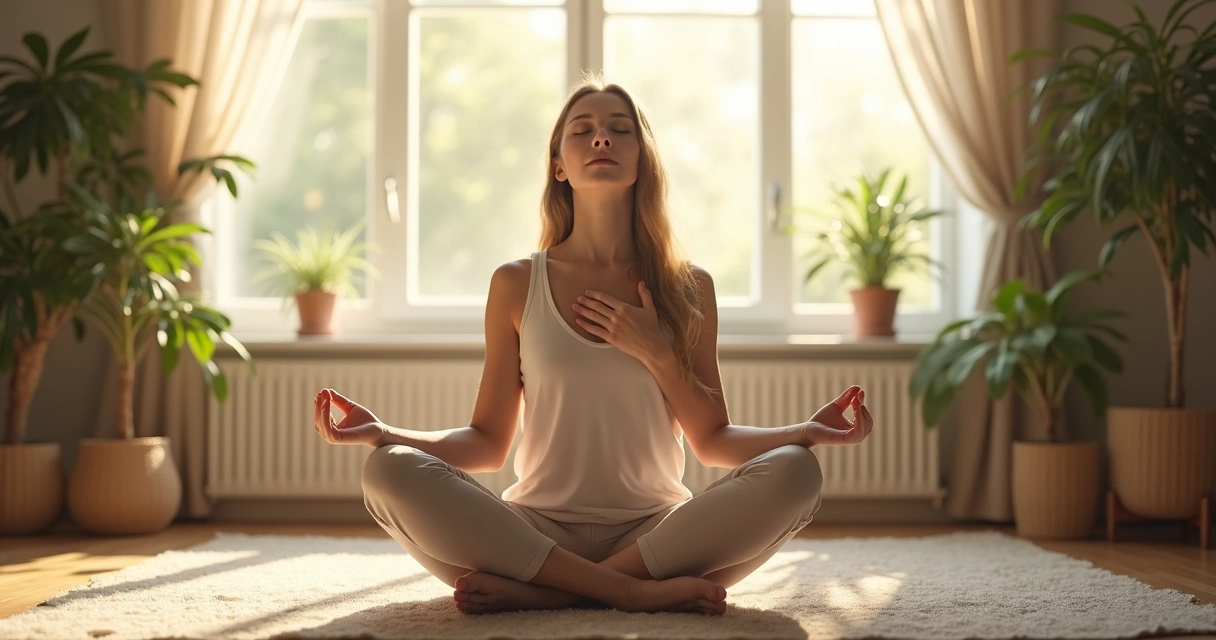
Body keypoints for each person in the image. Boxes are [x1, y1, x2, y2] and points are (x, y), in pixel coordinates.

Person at [312, 76, 874, 617]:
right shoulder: (515, 283)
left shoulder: (689, 287)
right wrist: (384, 433)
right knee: (386, 471)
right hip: (532, 532)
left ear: (641, 159)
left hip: (655, 533)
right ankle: (628, 591)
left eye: (619, 128)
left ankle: (554, 594)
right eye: (581, 129)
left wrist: (800, 428)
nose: (601, 137)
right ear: (559, 164)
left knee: (799, 472)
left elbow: (712, 439)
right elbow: (486, 444)